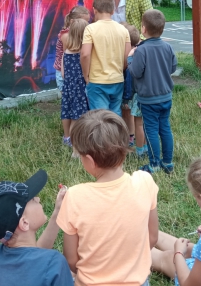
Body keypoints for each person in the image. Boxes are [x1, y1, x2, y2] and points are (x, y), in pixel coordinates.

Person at [57, 109, 159, 286]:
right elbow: (152, 237)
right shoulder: (145, 181)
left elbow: (71, 259)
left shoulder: (74, 196)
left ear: (90, 160)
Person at [0, 170, 73, 286]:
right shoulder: (55, 263)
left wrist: (58, 211)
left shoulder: (0, 256)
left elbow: (36, 259)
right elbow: (45, 264)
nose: (38, 199)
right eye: (33, 200)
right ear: (24, 223)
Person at [129, 9, 177, 174]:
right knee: (165, 127)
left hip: (148, 99)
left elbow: (135, 72)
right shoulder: (168, 47)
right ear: (162, 29)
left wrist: (130, 58)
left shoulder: (141, 50)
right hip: (166, 96)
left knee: (150, 130)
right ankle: (168, 163)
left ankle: (154, 165)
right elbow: (172, 67)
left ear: (143, 29)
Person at [151, 157, 201, 286]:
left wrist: (178, 254)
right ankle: (144, 229)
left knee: (167, 258)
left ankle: (129, 248)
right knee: (189, 248)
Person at [80, 0, 131, 116]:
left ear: (94, 10)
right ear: (113, 10)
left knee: (100, 118)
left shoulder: (90, 29)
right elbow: (128, 56)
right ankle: (116, 136)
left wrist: (86, 75)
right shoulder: (123, 30)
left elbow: (85, 54)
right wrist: (120, 69)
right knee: (115, 116)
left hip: (97, 81)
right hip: (117, 79)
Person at [61, 19, 89, 151]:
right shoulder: (82, 53)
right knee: (77, 118)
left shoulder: (66, 52)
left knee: (67, 112)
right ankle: (75, 143)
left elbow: (62, 74)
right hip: (80, 88)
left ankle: (67, 137)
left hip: (68, 88)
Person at [121, 22, 148, 156]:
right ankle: (145, 146)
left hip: (137, 96)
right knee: (146, 123)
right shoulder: (144, 50)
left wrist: (126, 98)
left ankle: (139, 149)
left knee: (139, 123)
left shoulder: (132, 56)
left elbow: (130, 80)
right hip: (150, 93)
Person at [53, 6, 90, 92]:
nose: (87, 25)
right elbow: (68, 57)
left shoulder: (75, 34)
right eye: (84, 22)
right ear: (72, 21)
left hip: (73, 71)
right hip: (65, 72)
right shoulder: (66, 36)